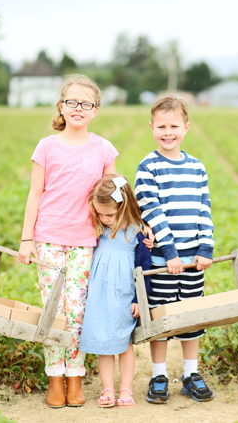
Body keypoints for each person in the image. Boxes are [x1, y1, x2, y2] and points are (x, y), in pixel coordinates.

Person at [17, 74, 118, 408]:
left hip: (85, 241)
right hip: (47, 239)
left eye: (85, 104)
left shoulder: (104, 148)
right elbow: (35, 193)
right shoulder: (46, 147)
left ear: (95, 110)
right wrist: (26, 238)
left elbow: (113, 196)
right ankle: (54, 377)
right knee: (54, 309)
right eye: (71, 102)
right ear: (61, 106)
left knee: (77, 310)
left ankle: (75, 375)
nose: (78, 108)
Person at [135, 96, 215, 404]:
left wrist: (205, 247)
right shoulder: (148, 167)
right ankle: (158, 374)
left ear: (186, 127)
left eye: (174, 126)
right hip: (161, 260)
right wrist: (169, 252)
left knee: (190, 316)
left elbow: (204, 210)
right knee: (162, 318)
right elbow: (151, 210)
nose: (168, 132)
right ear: (152, 127)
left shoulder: (197, 167)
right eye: (162, 126)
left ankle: (190, 373)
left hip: (193, 260)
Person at [78, 174, 152, 409]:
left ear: (124, 207)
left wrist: (140, 299)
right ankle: (107, 388)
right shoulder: (97, 228)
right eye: (100, 213)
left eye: (110, 214)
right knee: (103, 341)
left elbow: (144, 270)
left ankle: (126, 389)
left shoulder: (136, 232)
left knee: (124, 342)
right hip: (99, 295)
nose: (104, 218)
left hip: (123, 296)